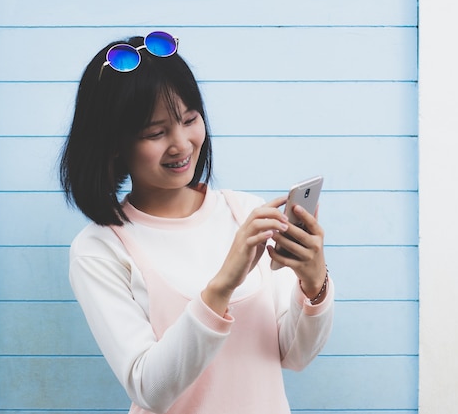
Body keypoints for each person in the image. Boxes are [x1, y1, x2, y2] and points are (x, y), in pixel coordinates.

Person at [59, 31, 334, 414]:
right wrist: (223, 284)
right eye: (156, 133)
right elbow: (148, 387)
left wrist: (314, 283)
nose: (182, 144)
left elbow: (295, 355)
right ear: (115, 143)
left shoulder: (245, 213)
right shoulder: (100, 250)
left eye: (189, 120)